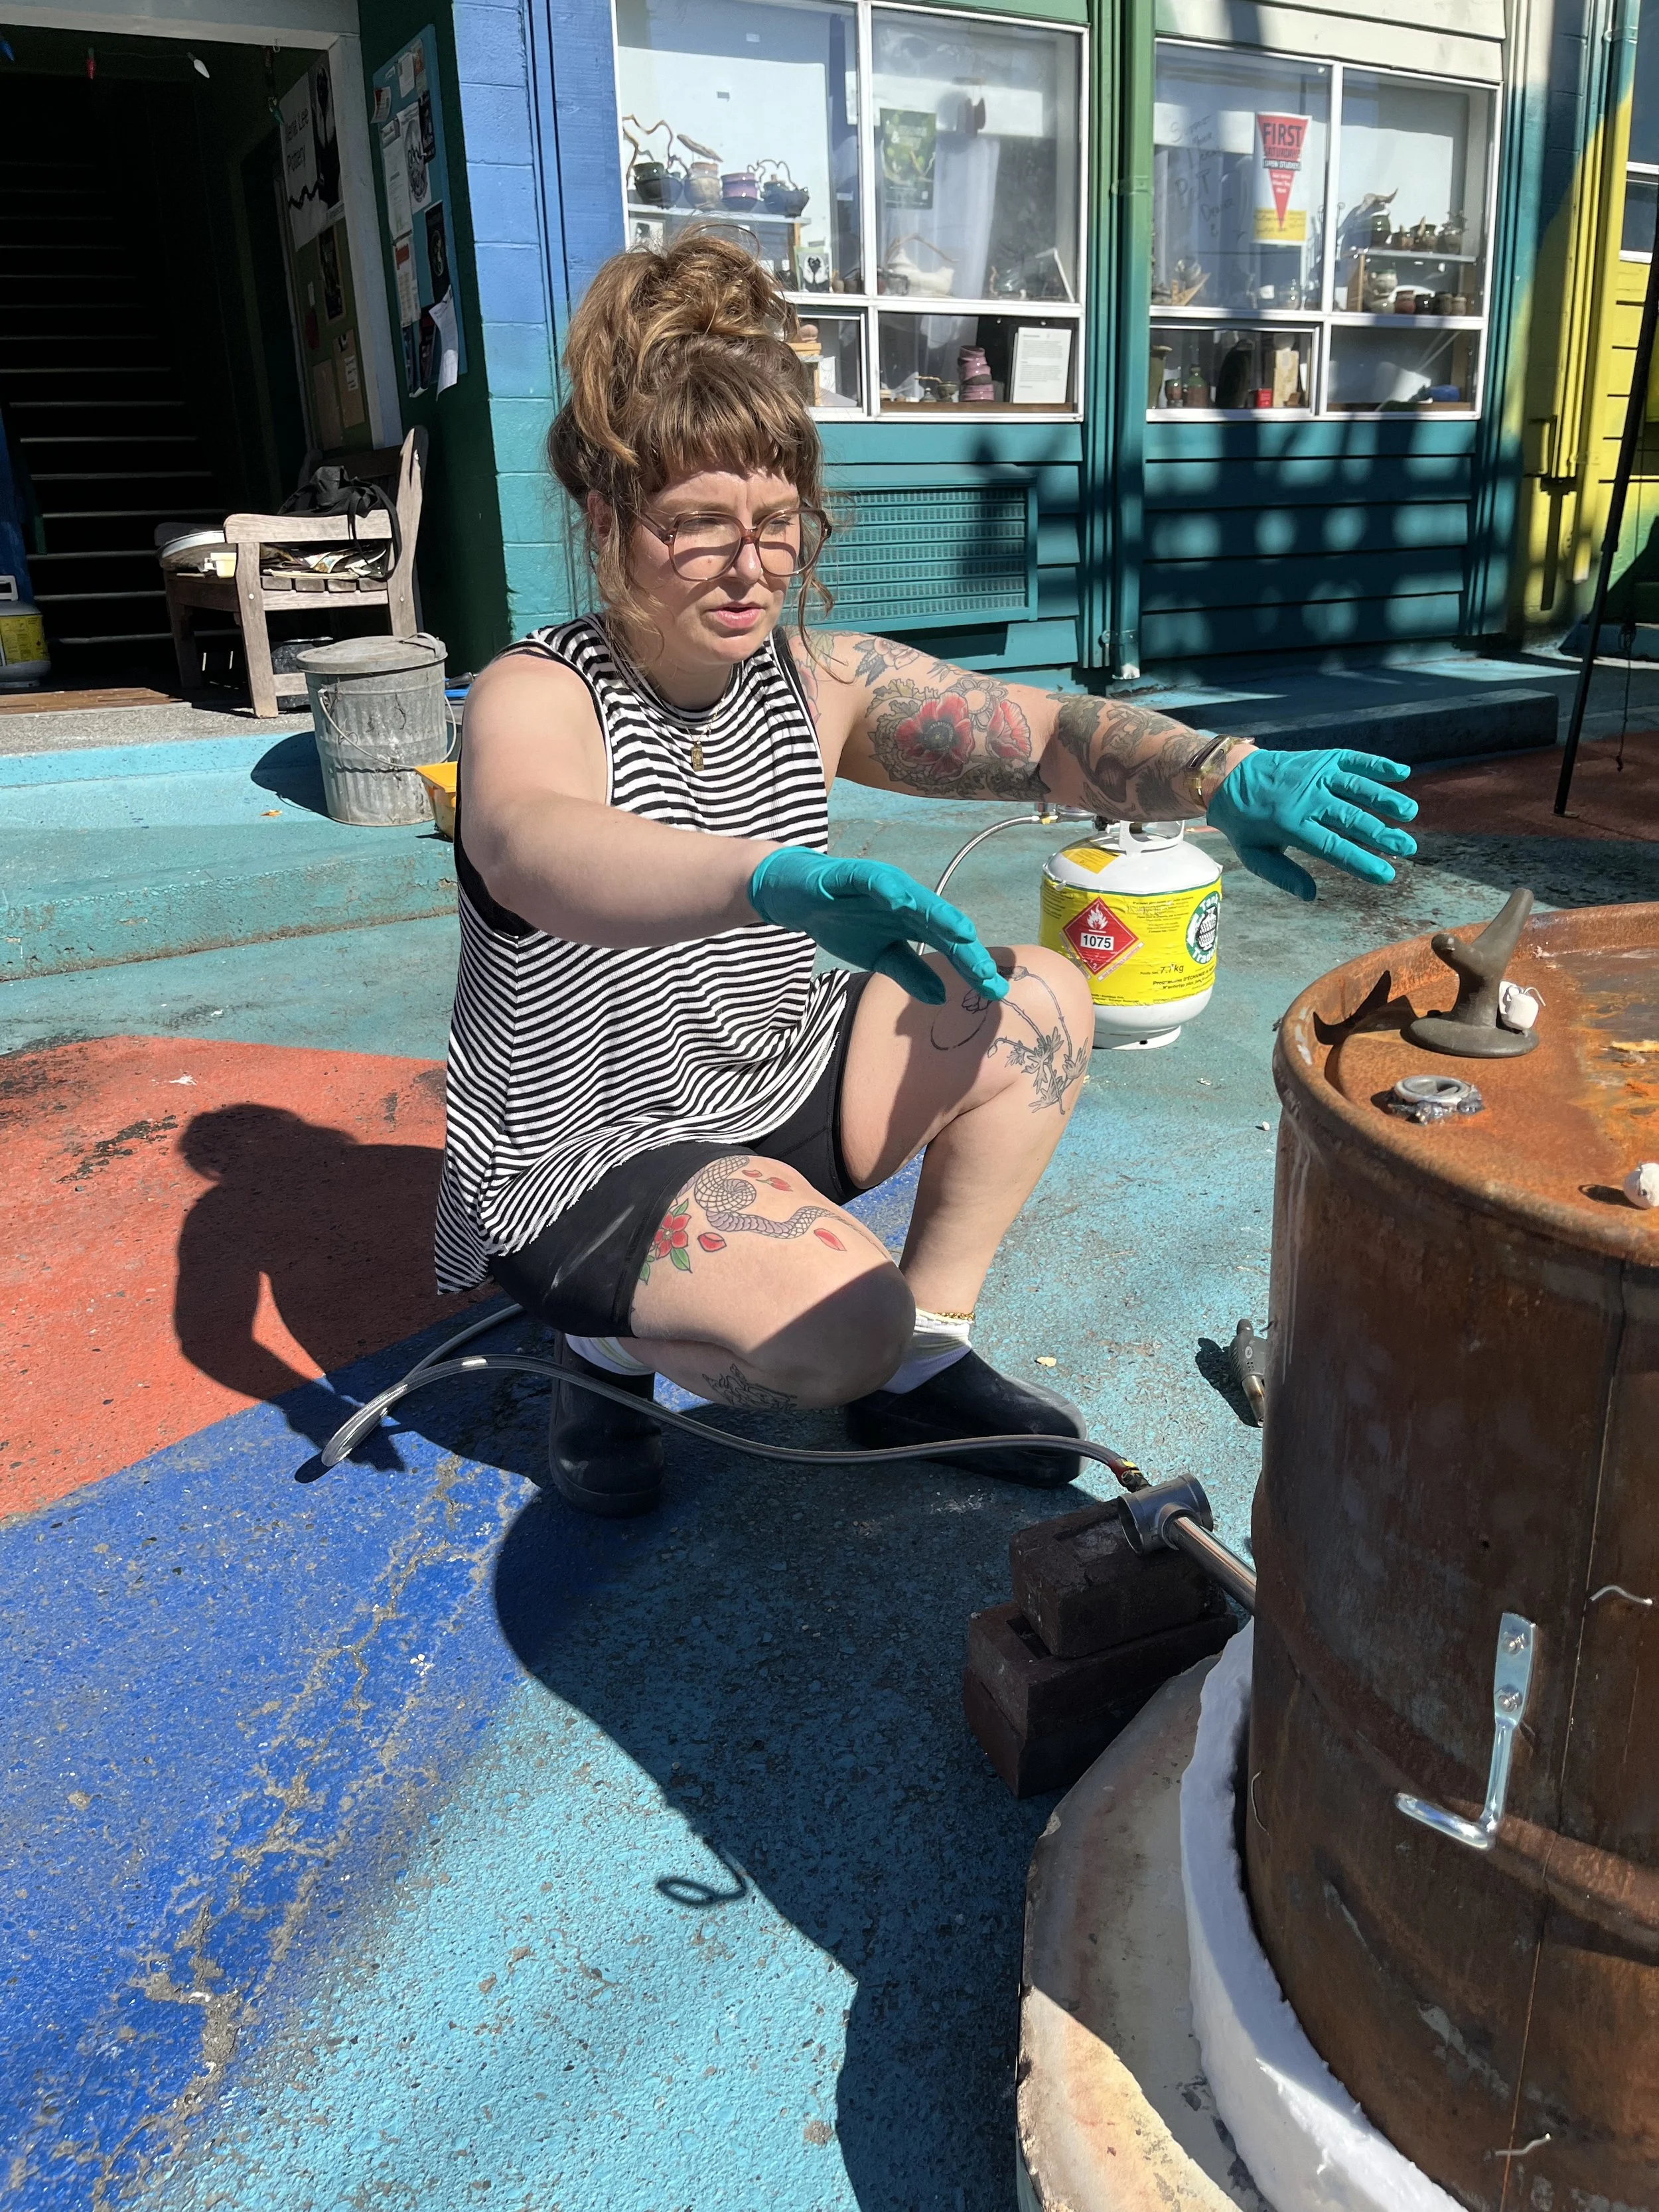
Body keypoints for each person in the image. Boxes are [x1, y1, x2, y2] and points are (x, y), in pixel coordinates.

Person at [439, 235, 1417, 1518]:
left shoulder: (818, 677)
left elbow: (1044, 736)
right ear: (607, 519)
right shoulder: (536, 691)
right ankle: (606, 1355)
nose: (750, 566)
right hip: (582, 1157)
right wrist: (769, 881)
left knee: (1043, 1003)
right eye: (697, 525)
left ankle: (926, 1359)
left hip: (767, 1083)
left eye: (776, 523)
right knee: (838, 1331)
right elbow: (531, 846)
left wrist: (1222, 771)